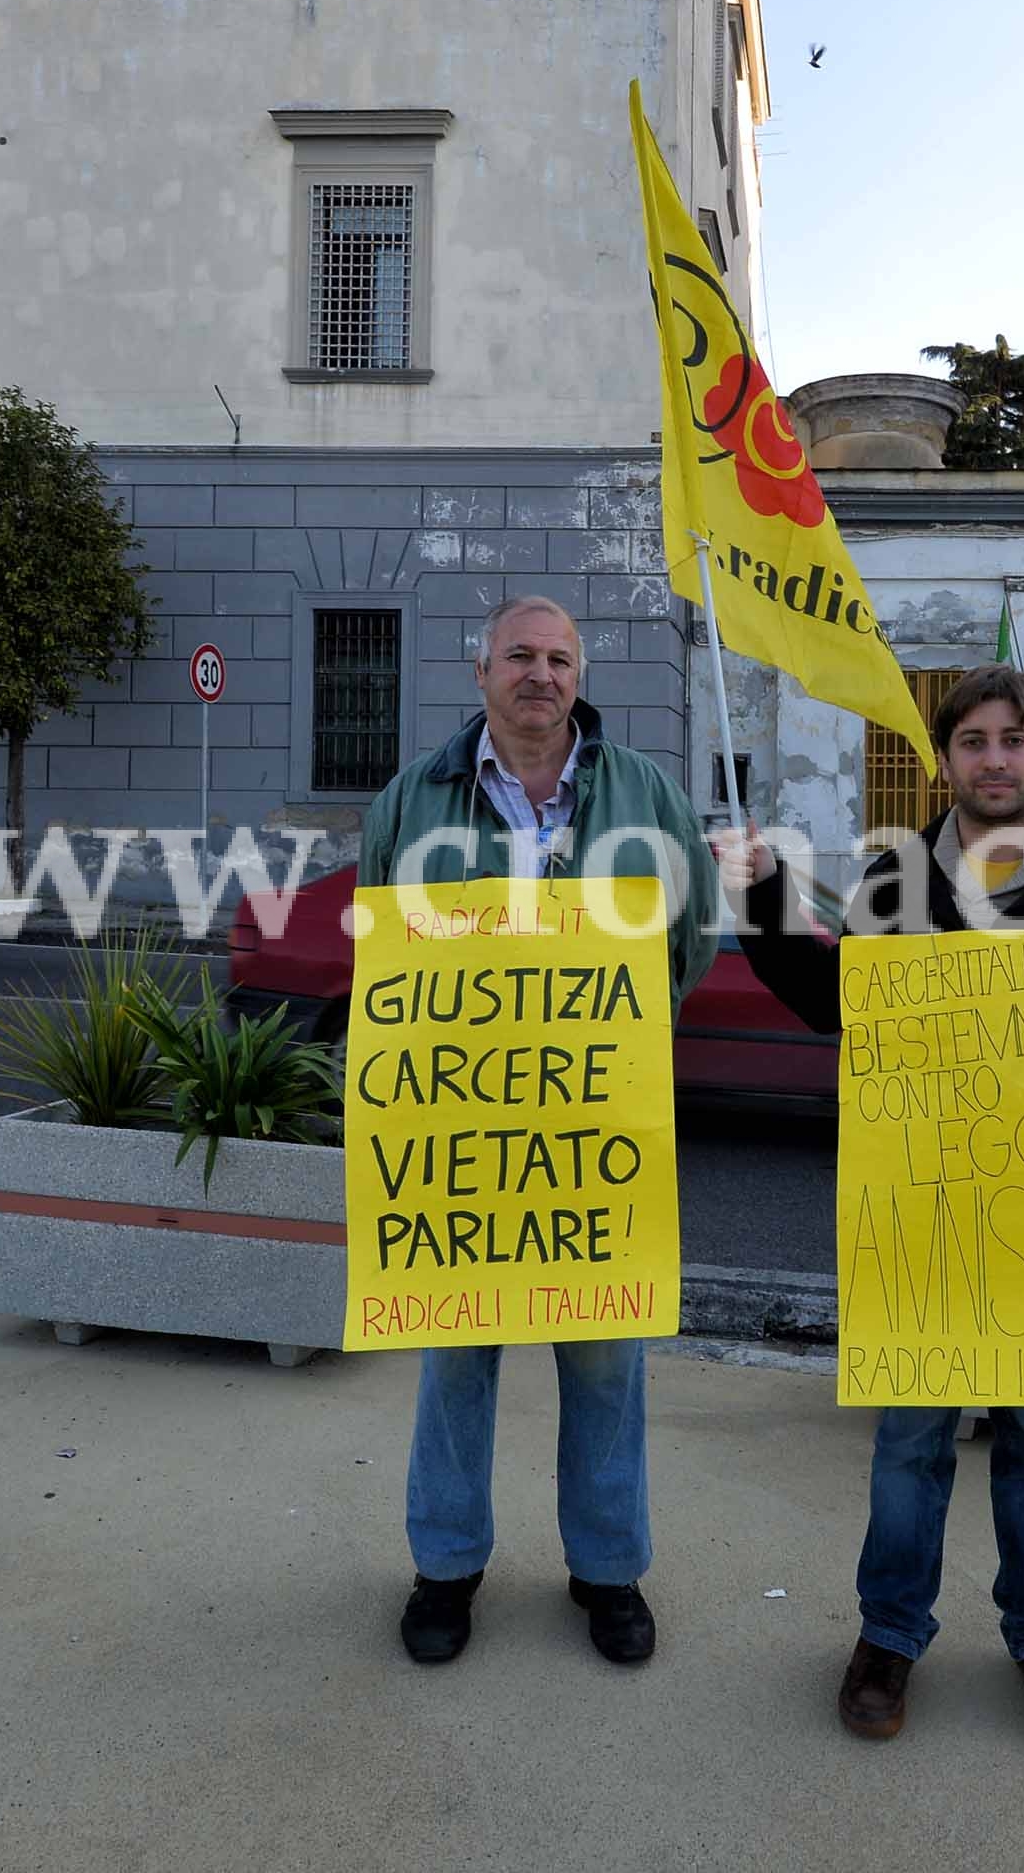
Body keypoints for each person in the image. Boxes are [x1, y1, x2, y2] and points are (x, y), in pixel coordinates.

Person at [711, 665, 1024, 1751]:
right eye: (974, 739)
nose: (996, 757)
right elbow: (841, 1006)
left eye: (1016, 737)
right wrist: (765, 897)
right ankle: (888, 1634)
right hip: (923, 1220)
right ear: (948, 758)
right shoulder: (896, 879)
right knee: (909, 1443)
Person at [356, 594, 715, 1671]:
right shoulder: (412, 797)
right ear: (481, 671)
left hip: (599, 1131)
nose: (540, 674)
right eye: (520, 654)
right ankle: (446, 1568)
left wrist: (614, 1046)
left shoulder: (647, 791)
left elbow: (687, 942)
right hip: (460, 1137)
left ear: (579, 674)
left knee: (607, 1360)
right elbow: (383, 941)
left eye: (560, 657)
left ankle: (608, 1573)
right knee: (455, 1357)